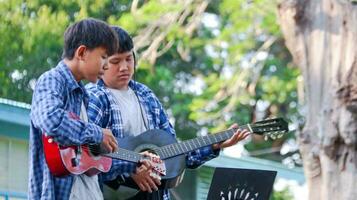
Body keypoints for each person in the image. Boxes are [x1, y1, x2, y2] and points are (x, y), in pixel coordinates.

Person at [85, 26, 250, 200]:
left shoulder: (146, 95)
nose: (125, 67)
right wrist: (129, 167)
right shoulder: (95, 97)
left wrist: (214, 145)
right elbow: (85, 153)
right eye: (116, 62)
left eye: (129, 59)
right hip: (115, 194)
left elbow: (174, 154)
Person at [29, 18, 120, 200]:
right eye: (103, 56)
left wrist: (138, 162)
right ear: (82, 52)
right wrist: (97, 133)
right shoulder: (52, 80)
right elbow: (51, 120)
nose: (107, 65)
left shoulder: (82, 95)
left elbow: (87, 157)